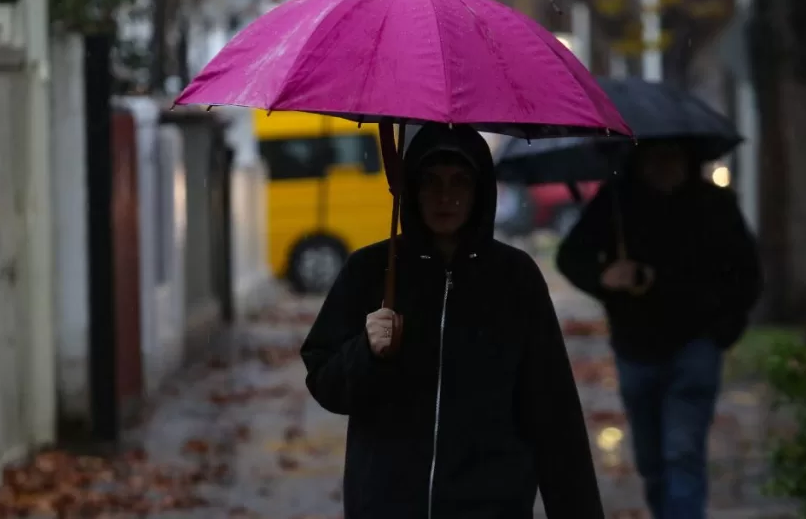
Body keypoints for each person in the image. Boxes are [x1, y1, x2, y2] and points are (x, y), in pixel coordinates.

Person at [301, 123, 604, 519]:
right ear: (412, 188)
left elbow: (553, 413)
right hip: (387, 504)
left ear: (480, 192)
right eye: (431, 182)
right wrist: (366, 352)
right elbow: (326, 384)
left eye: (460, 182)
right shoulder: (371, 270)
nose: (445, 196)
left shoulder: (515, 277)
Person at [556, 141, 763, 519]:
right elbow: (571, 256)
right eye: (655, 158)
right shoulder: (618, 203)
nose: (663, 166)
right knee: (651, 459)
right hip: (636, 348)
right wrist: (604, 277)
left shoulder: (714, 206)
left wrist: (721, 329)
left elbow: (747, 277)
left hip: (695, 347)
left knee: (682, 452)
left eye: (673, 156)